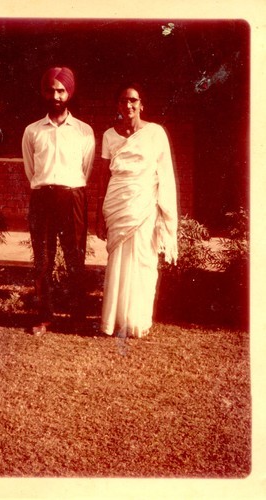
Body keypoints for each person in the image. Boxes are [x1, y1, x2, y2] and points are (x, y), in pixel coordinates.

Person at [96, 82, 178, 338]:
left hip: (144, 207)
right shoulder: (109, 135)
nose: (128, 105)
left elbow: (165, 174)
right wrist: (99, 213)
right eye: (123, 101)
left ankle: (137, 320)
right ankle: (114, 319)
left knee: (143, 261)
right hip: (118, 204)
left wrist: (165, 215)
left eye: (133, 100)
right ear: (117, 105)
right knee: (118, 261)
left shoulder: (156, 133)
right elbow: (103, 176)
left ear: (142, 104)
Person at [22, 67, 95, 334]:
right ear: (45, 92)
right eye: (51, 90)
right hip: (42, 197)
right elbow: (31, 169)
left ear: (69, 93)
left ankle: (77, 316)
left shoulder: (84, 132)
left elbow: (85, 169)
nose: (56, 95)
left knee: (75, 258)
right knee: (43, 260)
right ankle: (45, 317)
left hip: (72, 196)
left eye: (61, 90)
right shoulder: (32, 131)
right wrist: (48, 187)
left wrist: (67, 188)